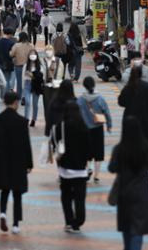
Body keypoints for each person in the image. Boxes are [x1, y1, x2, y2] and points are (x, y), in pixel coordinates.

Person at [0, 91, 33, 234]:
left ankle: (2, 214)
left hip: (2, 160)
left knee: (5, 189)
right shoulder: (22, 122)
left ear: (4, 102)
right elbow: (26, 145)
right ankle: (16, 224)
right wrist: (29, 164)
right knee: (17, 193)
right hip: (18, 161)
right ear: (16, 103)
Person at [108, 116, 148, 250]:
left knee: (126, 227)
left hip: (124, 192)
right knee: (138, 229)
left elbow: (112, 168)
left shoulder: (119, 149)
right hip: (141, 193)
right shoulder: (146, 147)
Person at [52, 101, 90, 234]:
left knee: (66, 195)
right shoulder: (83, 126)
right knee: (80, 197)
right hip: (80, 169)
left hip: (65, 168)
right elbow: (89, 148)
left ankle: (68, 221)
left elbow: (54, 142)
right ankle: (78, 221)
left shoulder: (60, 126)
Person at [77, 77, 113, 183]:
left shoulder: (81, 99)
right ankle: (96, 176)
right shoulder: (100, 98)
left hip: (85, 129)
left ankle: (88, 168)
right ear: (94, 85)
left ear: (84, 85)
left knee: (86, 151)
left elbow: (77, 114)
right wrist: (109, 125)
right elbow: (107, 112)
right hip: (97, 128)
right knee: (98, 153)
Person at [118, 63, 148, 146]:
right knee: (146, 142)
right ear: (141, 74)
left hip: (130, 119)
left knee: (131, 143)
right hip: (146, 119)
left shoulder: (128, 87)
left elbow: (121, 102)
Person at [10, 32, 35, 100]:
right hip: (28, 66)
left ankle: (19, 96)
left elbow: (11, 54)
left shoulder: (16, 45)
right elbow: (34, 56)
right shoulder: (31, 46)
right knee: (27, 82)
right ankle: (25, 96)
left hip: (18, 65)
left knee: (19, 82)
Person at [0, 27, 16, 92]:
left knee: (0, 79)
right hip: (9, 63)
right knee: (7, 79)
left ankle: (1, 93)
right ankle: (6, 94)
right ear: (10, 34)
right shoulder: (11, 43)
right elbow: (13, 55)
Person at [22, 49, 43, 127]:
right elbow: (23, 77)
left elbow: (41, 77)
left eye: (34, 54)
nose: (32, 55)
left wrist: (32, 75)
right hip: (27, 84)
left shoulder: (40, 66)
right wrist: (23, 91)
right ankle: (26, 118)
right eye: (31, 54)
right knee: (27, 102)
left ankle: (34, 119)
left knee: (35, 103)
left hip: (36, 85)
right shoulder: (26, 65)